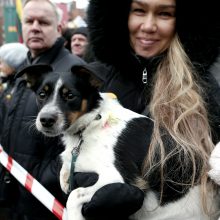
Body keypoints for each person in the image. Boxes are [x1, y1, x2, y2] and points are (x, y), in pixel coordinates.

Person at [66, 0, 220, 219]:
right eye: (139, 10)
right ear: (119, 16)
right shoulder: (92, 81)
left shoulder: (205, 89)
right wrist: (80, 177)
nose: (148, 25)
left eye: (164, 14)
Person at [0, 0, 85, 219]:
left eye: (43, 22)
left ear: (59, 28)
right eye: (29, 21)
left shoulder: (75, 73)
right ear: (22, 27)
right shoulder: (24, 70)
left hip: (46, 202)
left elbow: (88, 140)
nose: (35, 26)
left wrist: (42, 178)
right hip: (13, 196)